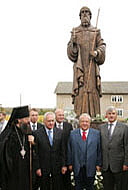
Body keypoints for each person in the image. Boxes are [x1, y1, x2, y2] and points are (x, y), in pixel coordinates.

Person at [67, 6, 106, 118]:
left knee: (92, 92)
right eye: (82, 13)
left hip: (92, 68)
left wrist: (97, 52)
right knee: (80, 92)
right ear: (80, 17)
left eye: (87, 12)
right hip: (80, 68)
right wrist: (73, 44)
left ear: (90, 16)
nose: (85, 14)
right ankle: (79, 118)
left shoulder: (96, 31)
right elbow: (71, 54)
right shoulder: (75, 31)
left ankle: (94, 118)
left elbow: (102, 45)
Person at [0, 105, 35, 190]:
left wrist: (33, 143)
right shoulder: (9, 135)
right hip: (13, 174)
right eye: (26, 118)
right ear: (19, 120)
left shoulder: (27, 132)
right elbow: (4, 156)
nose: (28, 120)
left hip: (26, 173)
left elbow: (33, 153)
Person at [67, 113, 101, 190]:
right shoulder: (72, 134)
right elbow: (69, 149)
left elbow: (99, 150)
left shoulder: (96, 134)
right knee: (78, 187)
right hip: (77, 166)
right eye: (82, 121)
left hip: (91, 166)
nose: (84, 123)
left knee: (90, 187)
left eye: (86, 121)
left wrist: (98, 164)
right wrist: (70, 163)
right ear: (79, 122)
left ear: (90, 123)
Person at [34, 112, 67, 190]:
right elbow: (36, 153)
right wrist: (37, 168)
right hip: (43, 168)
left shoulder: (60, 132)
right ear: (44, 121)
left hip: (57, 167)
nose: (51, 123)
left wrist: (63, 165)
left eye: (52, 121)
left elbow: (63, 150)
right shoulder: (37, 133)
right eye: (49, 121)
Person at [99, 106, 128, 190]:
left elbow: (126, 146)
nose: (111, 115)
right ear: (106, 115)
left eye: (113, 113)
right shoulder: (101, 127)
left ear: (116, 115)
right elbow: (99, 147)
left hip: (119, 165)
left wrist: (126, 163)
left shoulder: (124, 128)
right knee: (107, 187)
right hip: (105, 165)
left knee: (121, 187)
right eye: (109, 113)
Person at [55, 108, 73, 190]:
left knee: (66, 183)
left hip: (66, 158)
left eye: (62, 115)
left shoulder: (68, 126)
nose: (61, 117)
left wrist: (67, 163)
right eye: (59, 115)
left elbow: (70, 143)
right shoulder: (51, 125)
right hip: (55, 160)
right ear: (55, 116)